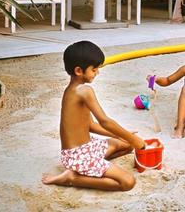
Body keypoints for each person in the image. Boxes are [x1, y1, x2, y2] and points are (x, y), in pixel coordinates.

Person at [42, 41, 146, 191]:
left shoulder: (72, 89)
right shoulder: (84, 91)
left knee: (127, 145)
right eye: (94, 69)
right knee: (128, 182)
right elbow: (104, 121)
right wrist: (134, 139)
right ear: (79, 70)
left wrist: (123, 136)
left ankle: (86, 169)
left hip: (86, 148)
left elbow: (90, 125)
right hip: (78, 156)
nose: (97, 72)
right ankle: (72, 178)